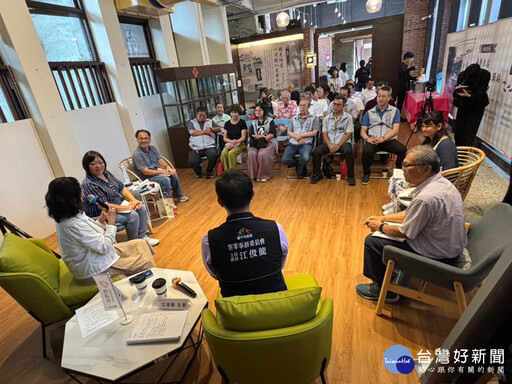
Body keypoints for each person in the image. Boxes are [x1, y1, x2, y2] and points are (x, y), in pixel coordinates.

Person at [355, 146, 467, 302]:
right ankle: (388, 274)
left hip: (439, 255)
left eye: (407, 165)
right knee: (383, 232)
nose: (404, 169)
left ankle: (385, 290)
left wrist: (379, 226)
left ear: (426, 169)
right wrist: (382, 218)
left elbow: (405, 233)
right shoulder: (443, 183)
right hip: (449, 246)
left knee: (372, 242)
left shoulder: (426, 198)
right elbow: (412, 215)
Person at [46, 177, 156, 285]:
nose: (82, 192)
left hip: (95, 256)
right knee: (144, 262)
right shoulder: (72, 224)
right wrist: (111, 224)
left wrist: (101, 220)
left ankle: (143, 279)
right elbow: (104, 247)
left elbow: (91, 235)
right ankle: (148, 287)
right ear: (72, 198)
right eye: (79, 190)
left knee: (141, 243)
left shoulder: (69, 216)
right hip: (93, 270)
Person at [201, 169, 288, 297]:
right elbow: (280, 264)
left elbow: (214, 273)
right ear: (253, 194)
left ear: (220, 201)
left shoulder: (209, 240)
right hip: (278, 307)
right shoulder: (276, 229)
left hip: (236, 312)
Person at [383, 111, 458, 215]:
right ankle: (395, 203)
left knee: (400, 182)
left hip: (436, 183)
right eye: (423, 126)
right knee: (396, 176)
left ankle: (401, 209)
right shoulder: (431, 140)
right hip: (428, 176)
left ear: (439, 126)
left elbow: (450, 172)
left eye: (428, 126)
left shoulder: (446, 145)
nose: (424, 129)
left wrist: (420, 182)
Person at [81, 151, 159, 246]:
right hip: (102, 214)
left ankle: (142, 237)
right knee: (132, 216)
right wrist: (129, 207)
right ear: (86, 166)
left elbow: (122, 187)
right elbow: (105, 206)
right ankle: (133, 243)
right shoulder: (89, 184)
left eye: (100, 162)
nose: (98, 166)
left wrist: (133, 201)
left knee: (141, 207)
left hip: (118, 206)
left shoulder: (106, 174)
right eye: (93, 164)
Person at [361, 86, 407, 185]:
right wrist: (368, 139)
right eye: (379, 96)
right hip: (373, 139)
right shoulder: (369, 112)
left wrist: (383, 138)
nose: (380, 99)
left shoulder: (395, 111)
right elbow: (363, 131)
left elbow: (395, 130)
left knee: (402, 150)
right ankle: (366, 173)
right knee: (366, 151)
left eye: (383, 96)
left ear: (389, 98)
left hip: (388, 139)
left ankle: (398, 173)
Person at [133, 129, 188, 202]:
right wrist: (162, 172)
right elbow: (146, 172)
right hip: (145, 178)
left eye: (146, 138)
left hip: (155, 173)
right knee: (165, 180)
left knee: (173, 173)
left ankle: (178, 195)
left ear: (150, 139)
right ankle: (165, 201)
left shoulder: (152, 148)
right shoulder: (137, 154)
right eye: (141, 138)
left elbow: (160, 160)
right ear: (137, 140)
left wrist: (168, 168)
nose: (144, 141)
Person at [310, 96, 355, 186]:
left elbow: (348, 134)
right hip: (329, 142)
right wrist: (330, 145)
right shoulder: (327, 118)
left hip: (343, 142)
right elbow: (324, 133)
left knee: (348, 151)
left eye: (338, 105)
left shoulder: (348, 117)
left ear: (343, 106)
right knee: (316, 152)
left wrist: (338, 145)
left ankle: (350, 176)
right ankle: (317, 174)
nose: (335, 106)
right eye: (334, 104)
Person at [452, 63, 491, 146]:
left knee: (469, 133)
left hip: (477, 106)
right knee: (458, 131)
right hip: (463, 104)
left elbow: (480, 94)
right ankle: (458, 151)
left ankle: (464, 155)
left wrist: (469, 95)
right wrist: (457, 90)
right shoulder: (462, 75)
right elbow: (456, 95)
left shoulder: (485, 75)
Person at [281, 98, 319, 178]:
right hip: (293, 143)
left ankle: (300, 168)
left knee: (305, 158)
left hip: (306, 143)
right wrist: (297, 138)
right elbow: (289, 132)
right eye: (300, 105)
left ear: (308, 107)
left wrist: (301, 136)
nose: (302, 107)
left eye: (304, 106)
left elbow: (315, 132)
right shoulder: (294, 118)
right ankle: (299, 166)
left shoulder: (314, 118)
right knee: (285, 160)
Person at [247, 103, 277, 182]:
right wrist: (255, 136)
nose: (258, 112)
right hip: (256, 142)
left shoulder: (270, 121)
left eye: (260, 110)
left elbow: (273, 133)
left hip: (268, 141)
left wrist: (264, 137)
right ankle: (255, 175)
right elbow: (251, 134)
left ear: (264, 111)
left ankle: (264, 175)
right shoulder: (254, 122)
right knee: (251, 153)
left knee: (262, 154)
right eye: (256, 110)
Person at [188, 106, 220, 179]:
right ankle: (199, 172)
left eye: (204, 115)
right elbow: (192, 132)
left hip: (209, 146)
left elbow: (219, 128)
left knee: (213, 155)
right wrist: (205, 132)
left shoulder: (210, 121)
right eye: (200, 115)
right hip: (195, 147)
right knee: (192, 161)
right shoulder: (192, 123)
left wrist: (211, 129)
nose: (202, 117)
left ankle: (210, 171)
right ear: (196, 115)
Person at [220, 104, 247, 170]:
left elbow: (243, 137)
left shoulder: (242, 123)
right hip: (229, 143)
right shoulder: (227, 123)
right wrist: (231, 142)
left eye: (235, 112)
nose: (233, 114)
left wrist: (235, 142)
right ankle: (227, 172)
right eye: (232, 112)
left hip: (240, 144)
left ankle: (232, 173)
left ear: (239, 113)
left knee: (231, 153)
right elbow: (225, 138)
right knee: (224, 153)